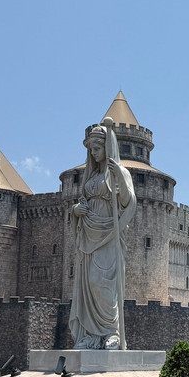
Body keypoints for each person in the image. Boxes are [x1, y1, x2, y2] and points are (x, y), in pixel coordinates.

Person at [69, 122, 135, 349]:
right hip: (88, 232)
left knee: (102, 281)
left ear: (107, 147)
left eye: (96, 148)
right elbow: (82, 203)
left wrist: (120, 180)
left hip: (109, 233)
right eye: (91, 150)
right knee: (87, 283)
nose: (93, 153)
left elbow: (128, 203)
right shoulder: (91, 176)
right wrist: (76, 212)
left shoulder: (120, 173)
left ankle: (111, 332)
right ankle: (90, 335)